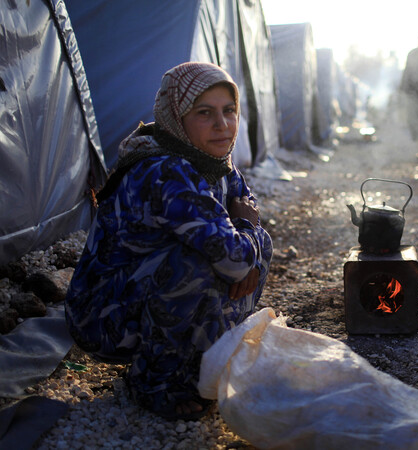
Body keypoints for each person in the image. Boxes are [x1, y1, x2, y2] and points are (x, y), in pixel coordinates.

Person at [65, 62, 273, 420]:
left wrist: (247, 247)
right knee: (198, 262)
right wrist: (244, 245)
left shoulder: (216, 163)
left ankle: (195, 365)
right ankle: (153, 382)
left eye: (229, 111)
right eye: (204, 113)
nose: (222, 124)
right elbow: (235, 253)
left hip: (148, 296)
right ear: (176, 116)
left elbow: (243, 231)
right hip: (105, 317)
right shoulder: (163, 170)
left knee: (251, 246)